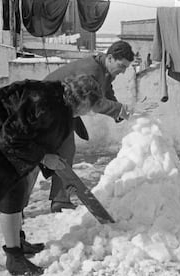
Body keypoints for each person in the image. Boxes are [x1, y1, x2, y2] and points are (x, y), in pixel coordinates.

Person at [0, 75, 104, 275]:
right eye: (90, 107)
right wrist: (43, 157)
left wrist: (49, 160)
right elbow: (10, 139)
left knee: (20, 186)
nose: (90, 112)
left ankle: (18, 240)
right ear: (83, 99)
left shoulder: (62, 99)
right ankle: (14, 258)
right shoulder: (46, 104)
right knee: (10, 195)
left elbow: (48, 129)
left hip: (7, 137)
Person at [43, 40, 135, 213]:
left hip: (64, 110)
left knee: (66, 151)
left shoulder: (104, 70)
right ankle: (16, 207)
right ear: (110, 58)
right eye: (121, 66)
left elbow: (106, 92)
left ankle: (60, 199)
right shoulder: (91, 70)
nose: (122, 72)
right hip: (46, 108)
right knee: (33, 155)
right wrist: (124, 110)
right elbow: (96, 102)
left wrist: (119, 114)